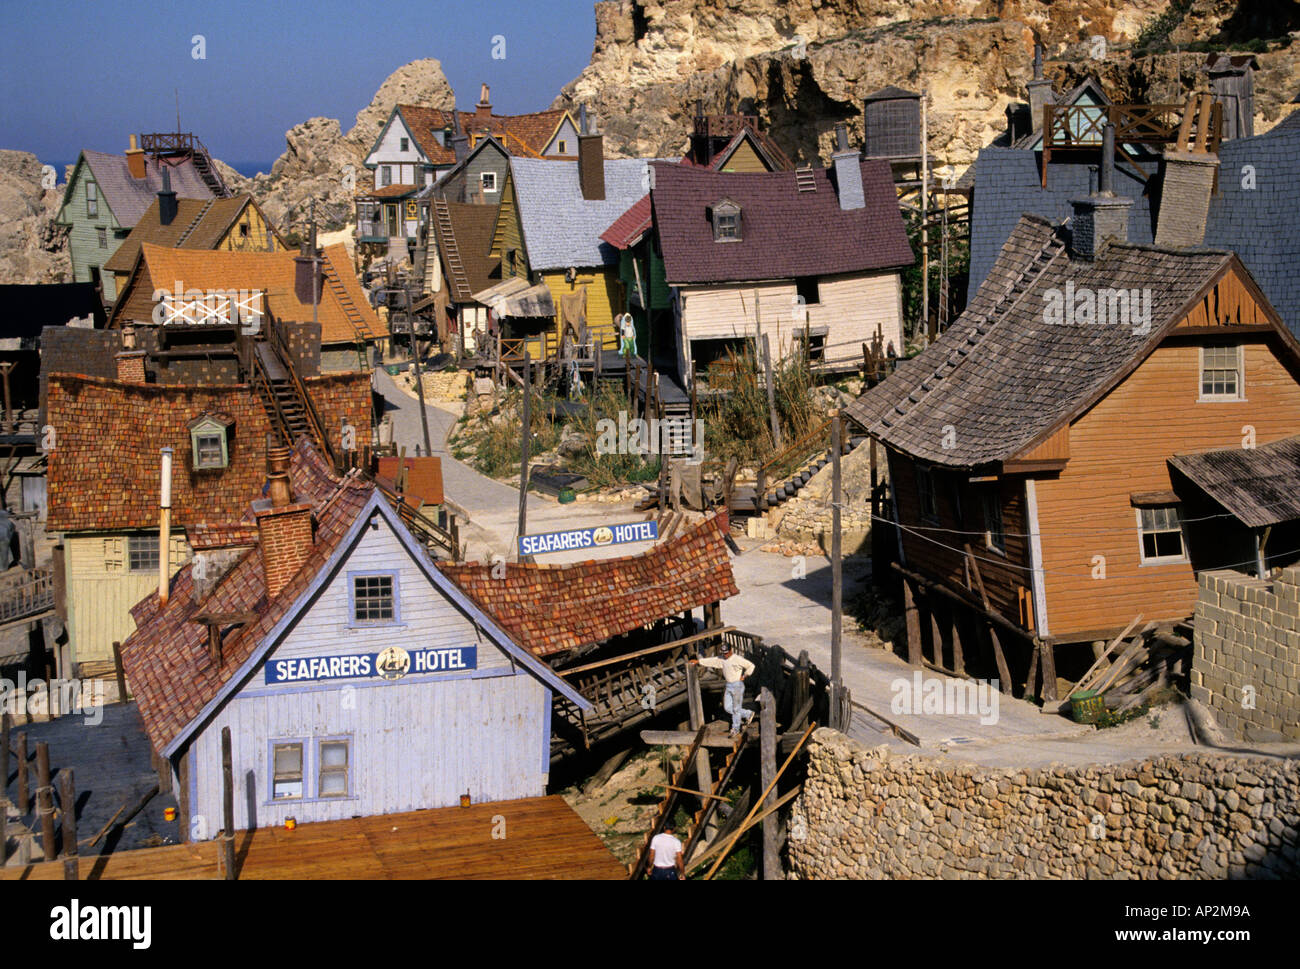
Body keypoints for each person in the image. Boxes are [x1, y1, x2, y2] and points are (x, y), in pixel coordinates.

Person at [691, 644, 756, 736]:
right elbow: (712, 661)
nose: (725, 655)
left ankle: (735, 728)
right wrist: (698, 661)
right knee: (727, 707)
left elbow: (751, 666)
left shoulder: (737, 659)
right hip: (728, 685)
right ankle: (748, 714)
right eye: (723, 653)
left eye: (726, 653)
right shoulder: (722, 659)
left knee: (736, 709)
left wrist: (744, 676)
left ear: (730, 651)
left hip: (737, 685)